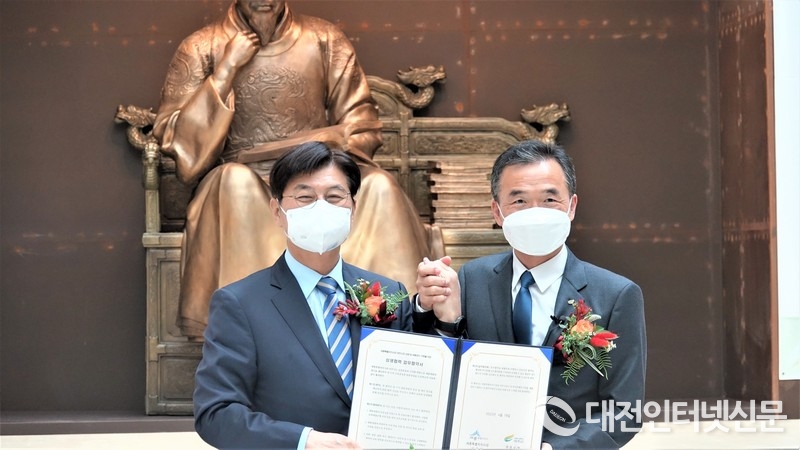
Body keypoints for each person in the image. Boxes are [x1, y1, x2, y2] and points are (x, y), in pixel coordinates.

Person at [152, 0, 435, 340]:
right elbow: (177, 141)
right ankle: (250, 327)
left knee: (380, 186)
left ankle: (391, 323)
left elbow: (362, 121)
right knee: (234, 183)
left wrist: (337, 139)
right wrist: (225, 70)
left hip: (316, 172)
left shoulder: (323, 38)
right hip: (247, 179)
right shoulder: (202, 46)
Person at [415, 140, 647, 449]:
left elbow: (624, 411)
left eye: (550, 199)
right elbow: (443, 369)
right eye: (520, 201)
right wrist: (431, 307)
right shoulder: (472, 278)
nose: (535, 213)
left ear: (571, 206)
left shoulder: (616, 295)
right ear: (497, 211)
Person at [193, 141, 419, 449]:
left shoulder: (388, 294)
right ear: (277, 211)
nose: (321, 207)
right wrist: (303, 440)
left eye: (334, 197)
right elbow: (216, 413)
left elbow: (416, 386)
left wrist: (441, 313)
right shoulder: (239, 304)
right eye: (305, 197)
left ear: (353, 209)